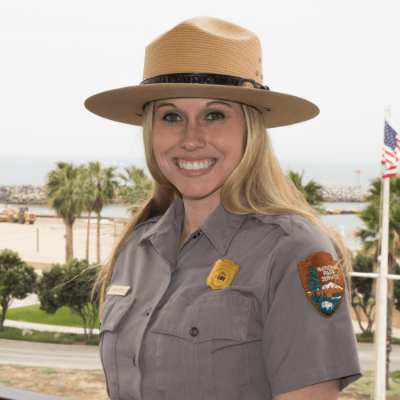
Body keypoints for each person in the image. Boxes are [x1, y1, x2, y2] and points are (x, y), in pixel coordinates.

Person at [85, 16, 361, 400]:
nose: (191, 139)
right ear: (151, 132)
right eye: (171, 117)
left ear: (250, 128)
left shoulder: (296, 250)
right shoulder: (136, 248)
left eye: (214, 115)